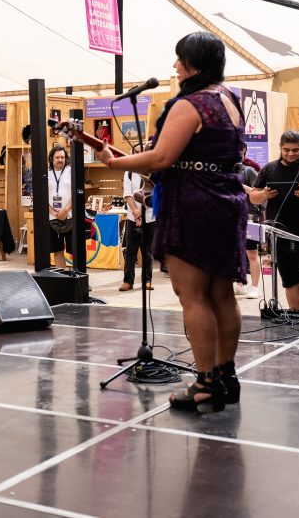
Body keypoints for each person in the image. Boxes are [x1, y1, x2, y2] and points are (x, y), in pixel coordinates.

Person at [95, 32, 247, 414]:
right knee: (222, 294)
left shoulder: (189, 104)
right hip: (226, 199)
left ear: (195, 63)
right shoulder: (229, 100)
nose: (175, 66)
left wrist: (114, 162)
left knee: (192, 296)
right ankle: (226, 378)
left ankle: (205, 384)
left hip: (194, 202)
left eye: (180, 59)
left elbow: (162, 159)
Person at [250, 130, 299, 313]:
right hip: (280, 237)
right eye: (286, 150)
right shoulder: (269, 169)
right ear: (280, 147)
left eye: (295, 150)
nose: (290, 154)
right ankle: (296, 318)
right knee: (290, 281)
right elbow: (253, 197)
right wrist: (264, 194)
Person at [121, 144, 155, 291]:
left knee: (147, 252)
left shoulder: (154, 172)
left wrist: (140, 211)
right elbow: (127, 193)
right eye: (136, 152)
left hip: (149, 217)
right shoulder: (128, 172)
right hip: (132, 216)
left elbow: (154, 194)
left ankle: (147, 281)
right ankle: (128, 281)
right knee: (130, 251)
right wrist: (135, 211)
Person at [236, 144, 263, 299]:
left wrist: (242, 186)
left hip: (249, 217)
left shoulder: (249, 171)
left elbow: (259, 194)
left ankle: (255, 287)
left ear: (244, 151)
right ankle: (239, 284)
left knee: (252, 253)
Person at [47, 145, 74, 271]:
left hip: (70, 216)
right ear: (52, 159)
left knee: (75, 250)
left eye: (62, 157)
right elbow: (41, 196)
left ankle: (77, 277)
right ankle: (62, 277)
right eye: (57, 157)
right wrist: (54, 212)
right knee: (57, 251)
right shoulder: (46, 174)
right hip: (52, 218)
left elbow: (76, 193)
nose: (60, 160)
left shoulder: (71, 172)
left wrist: (65, 210)